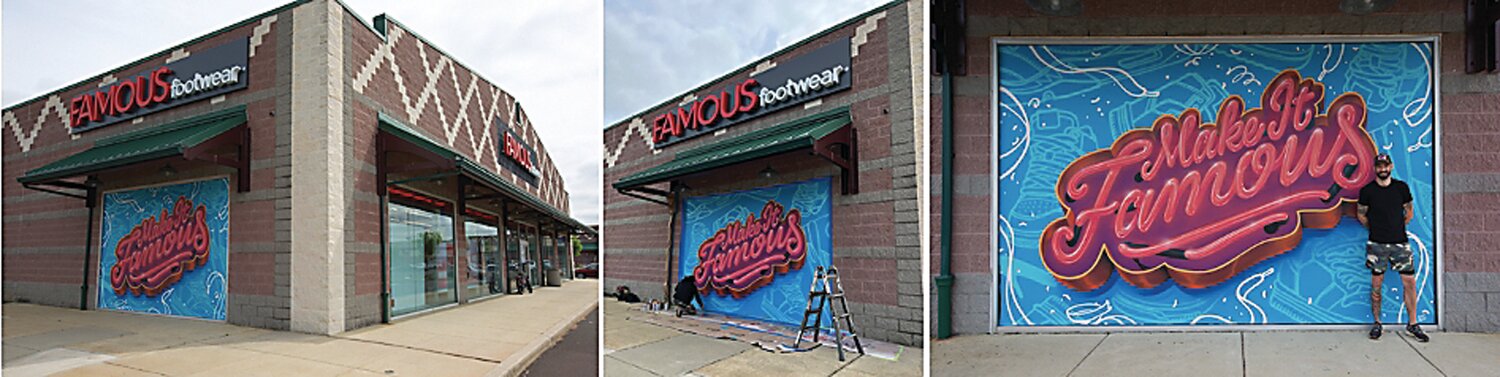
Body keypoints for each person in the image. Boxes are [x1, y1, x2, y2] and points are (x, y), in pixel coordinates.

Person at [1357, 153, 1428, 342]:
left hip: (1400, 243)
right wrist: (1376, 229)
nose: (1383, 169)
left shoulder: (1401, 188)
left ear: (1391, 166)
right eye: (1379, 166)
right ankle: (1377, 323)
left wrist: (1396, 227)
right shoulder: (1367, 191)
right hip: (1376, 244)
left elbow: (1409, 211)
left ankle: (1413, 324)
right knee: (1376, 284)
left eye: (1385, 166)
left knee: (1409, 283)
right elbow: (1361, 214)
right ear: (1375, 168)